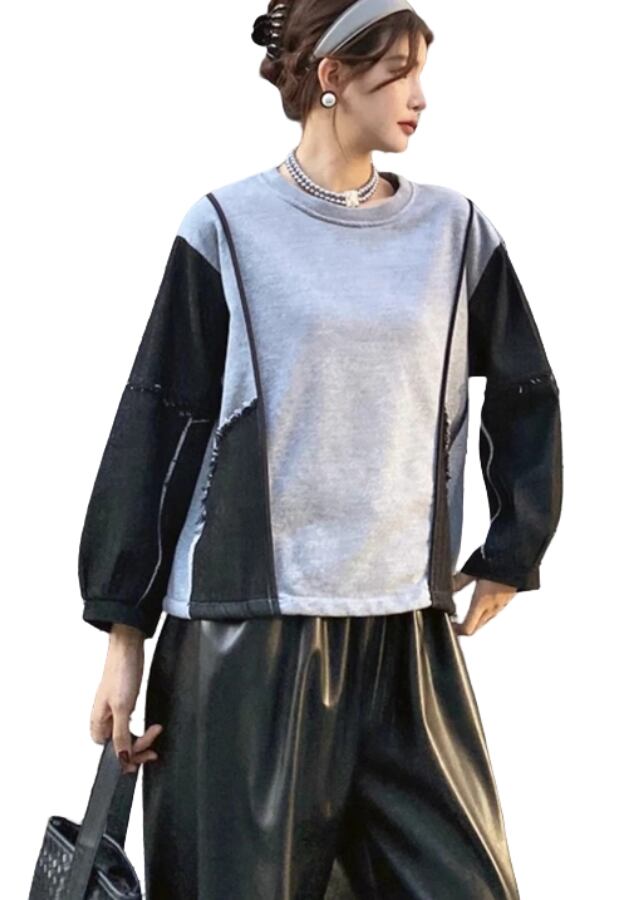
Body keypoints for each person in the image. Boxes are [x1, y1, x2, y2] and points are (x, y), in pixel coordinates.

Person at [80, 1, 563, 897]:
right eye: (397, 74)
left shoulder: (456, 232)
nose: (420, 97)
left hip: (406, 634)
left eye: (422, 73)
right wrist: (123, 635)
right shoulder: (226, 226)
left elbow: (525, 389)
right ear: (332, 77)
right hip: (244, 640)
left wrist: (513, 546)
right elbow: (158, 426)